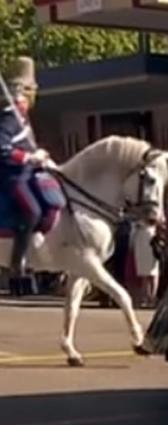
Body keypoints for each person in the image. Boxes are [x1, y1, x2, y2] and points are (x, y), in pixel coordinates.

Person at [0, 56, 60, 296]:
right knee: (32, 210)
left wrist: (41, 156)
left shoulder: (23, 119)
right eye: (24, 94)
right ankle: (18, 264)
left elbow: (28, 146)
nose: (25, 99)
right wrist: (28, 158)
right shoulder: (7, 118)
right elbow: (2, 148)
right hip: (12, 174)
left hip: (30, 173)